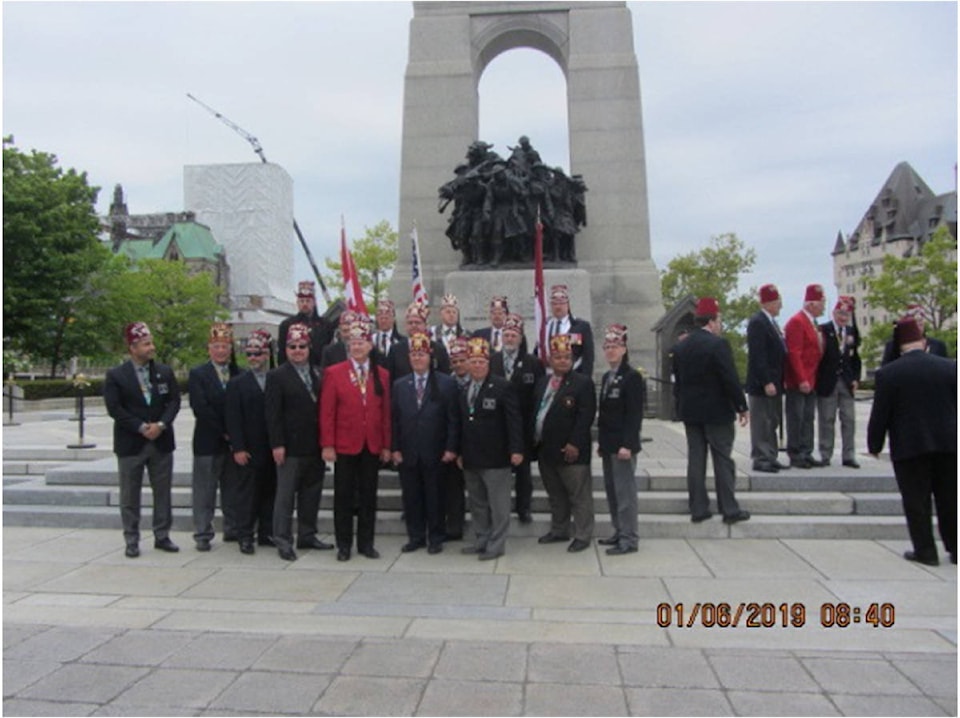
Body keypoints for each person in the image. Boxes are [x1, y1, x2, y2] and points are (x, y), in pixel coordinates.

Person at [868, 316, 957, 566]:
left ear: (899, 346)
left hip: (910, 445)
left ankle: (925, 551)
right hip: (949, 444)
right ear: (924, 341)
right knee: (949, 498)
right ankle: (955, 547)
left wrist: (875, 445)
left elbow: (880, 414)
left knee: (916, 501)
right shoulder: (950, 367)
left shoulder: (889, 373)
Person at [103, 322, 181, 558]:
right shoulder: (116, 375)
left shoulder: (164, 372)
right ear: (133, 347)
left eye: (151, 342)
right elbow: (114, 408)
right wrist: (139, 426)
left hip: (161, 440)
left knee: (163, 492)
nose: (151, 348)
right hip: (131, 443)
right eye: (146, 344)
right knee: (130, 494)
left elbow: (174, 402)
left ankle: (162, 535)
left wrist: (161, 424)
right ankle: (132, 539)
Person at [672, 298, 750, 524]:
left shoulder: (681, 347)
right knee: (722, 459)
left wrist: (680, 407)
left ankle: (698, 507)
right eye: (720, 320)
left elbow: (678, 383)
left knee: (696, 460)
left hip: (691, 412)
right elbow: (729, 378)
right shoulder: (718, 345)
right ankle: (729, 509)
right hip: (716, 412)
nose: (721, 325)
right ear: (712, 321)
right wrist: (741, 406)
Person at [321, 317, 392, 561]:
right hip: (344, 445)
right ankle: (343, 545)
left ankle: (366, 543)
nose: (357, 346)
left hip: (371, 445)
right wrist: (328, 444)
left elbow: (385, 413)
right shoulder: (334, 373)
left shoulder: (381, 374)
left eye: (362, 342)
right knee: (343, 496)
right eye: (353, 342)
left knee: (368, 497)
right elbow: (327, 411)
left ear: (370, 346)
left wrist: (386, 445)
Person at [264, 322, 332, 561]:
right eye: (292, 346)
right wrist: (277, 444)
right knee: (285, 496)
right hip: (289, 448)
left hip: (314, 446)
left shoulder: (318, 373)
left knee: (311, 494)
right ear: (286, 348)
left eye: (302, 346)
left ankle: (307, 534)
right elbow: (272, 414)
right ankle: (282, 539)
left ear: (309, 347)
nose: (297, 350)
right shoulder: (276, 376)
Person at [391, 332, 460, 554]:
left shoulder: (446, 383)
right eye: (414, 354)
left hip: (436, 451)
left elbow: (453, 419)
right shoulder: (400, 385)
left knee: (435, 496)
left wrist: (451, 447)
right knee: (411, 497)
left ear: (430, 356)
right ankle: (416, 536)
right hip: (408, 451)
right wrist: (395, 448)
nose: (418, 358)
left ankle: (436, 536)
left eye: (422, 354)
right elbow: (394, 420)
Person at [458, 337, 524, 560]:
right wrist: (459, 451)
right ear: (467, 363)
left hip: (496, 457)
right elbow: (460, 422)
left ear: (488, 364)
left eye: (481, 362)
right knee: (477, 504)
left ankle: (496, 545)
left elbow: (514, 420)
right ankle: (481, 540)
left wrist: (517, 449)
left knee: (498, 505)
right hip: (471, 457)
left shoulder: (502, 386)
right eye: (473, 361)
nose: (477, 366)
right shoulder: (464, 388)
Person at [533, 334, 597, 552]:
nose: (563, 361)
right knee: (556, 495)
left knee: (579, 495)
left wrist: (575, 443)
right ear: (551, 359)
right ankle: (559, 530)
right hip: (546, 449)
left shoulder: (582, 383)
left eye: (567, 357)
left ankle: (583, 534)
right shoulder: (543, 382)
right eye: (558, 357)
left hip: (571, 451)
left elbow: (585, 416)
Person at [187, 322, 240, 551]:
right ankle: (202, 533)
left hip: (234, 445)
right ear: (209, 348)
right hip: (208, 441)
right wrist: (225, 431)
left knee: (232, 489)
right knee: (204, 491)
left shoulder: (240, 373)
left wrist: (236, 435)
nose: (221, 351)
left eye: (225, 346)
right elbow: (201, 408)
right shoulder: (198, 374)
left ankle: (233, 528)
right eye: (217, 346)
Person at [225, 329, 277, 554]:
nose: (253, 357)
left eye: (258, 353)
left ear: (267, 354)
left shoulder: (277, 378)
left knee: (270, 492)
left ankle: (266, 532)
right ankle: (245, 535)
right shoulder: (237, 383)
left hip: (272, 447)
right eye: (249, 354)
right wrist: (238, 447)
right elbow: (232, 418)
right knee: (247, 494)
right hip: (248, 448)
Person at [596, 324, 646, 555]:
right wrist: (602, 444)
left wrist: (628, 444)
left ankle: (629, 538)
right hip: (608, 445)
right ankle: (618, 530)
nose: (610, 351)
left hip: (623, 447)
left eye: (615, 346)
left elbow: (634, 415)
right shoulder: (607, 377)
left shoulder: (632, 377)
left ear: (624, 349)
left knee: (625, 494)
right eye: (607, 347)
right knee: (612, 491)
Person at [490, 313, 544, 523]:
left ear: (521, 338)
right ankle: (499, 510)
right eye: (506, 334)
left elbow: (538, 397)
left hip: (523, 426)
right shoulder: (492, 361)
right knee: (500, 472)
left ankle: (524, 508)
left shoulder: (533, 363)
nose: (510, 338)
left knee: (523, 472)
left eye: (514, 334)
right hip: (496, 427)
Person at [745, 284, 789, 473]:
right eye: (777, 301)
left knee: (772, 420)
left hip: (775, 381)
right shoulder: (758, 322)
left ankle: (770, 454)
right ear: (768, 303)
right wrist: (766, 381)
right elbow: (758, 355)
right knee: (762, 421)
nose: (780, 305)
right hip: (762, 383)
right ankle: (761, 457)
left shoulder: (771, 322)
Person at [783, 283, 826, 469]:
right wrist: (801, 378)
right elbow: (795, 353)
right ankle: (796, 453)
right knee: (797, 417)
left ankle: (806, 451)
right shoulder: (797, 322)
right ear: (811, 304)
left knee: (808, 417)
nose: (824, 306)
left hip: (812, 378)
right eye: (821, 302)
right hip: (799, 381)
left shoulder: (811, 323)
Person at [816, 298, 862, 468]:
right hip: (828, 381)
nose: (843, 317)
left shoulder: (851, 331)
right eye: (841, 313)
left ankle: (849, 455)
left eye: (846, 314)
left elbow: (856, 358)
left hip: (847, 382)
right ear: (834, 313)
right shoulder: (824, 329)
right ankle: (825, 454)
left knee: (849, 419)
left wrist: (856, 378)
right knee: (827, 419)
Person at [444, 336, 471, 540]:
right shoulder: (445, 383)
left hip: (477, 445)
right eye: (455, 361)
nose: (459, 365)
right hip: (452, 444)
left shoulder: (479, 380)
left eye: (463, 360)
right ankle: (454, 526)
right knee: (452, 489)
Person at [387, 302, 450, 381]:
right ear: (406, 326)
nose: (414, 325)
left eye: (417, 322)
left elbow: (446, 378)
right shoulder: (395, 349)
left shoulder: (438, 349)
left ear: (426, 325)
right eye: (410, 323)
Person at [541, 284, 594, 376]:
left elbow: (588, 356)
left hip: (574, 375)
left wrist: (586, 379)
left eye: (562, 303)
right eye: (555, 304)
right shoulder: (545, 326)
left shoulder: (581, 326)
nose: (558, 307)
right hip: (549, 375)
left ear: (568, 304)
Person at [278, 280, 334, 367]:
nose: (304, 304)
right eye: (302, 301)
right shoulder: (287, 325)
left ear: (314, 302)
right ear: (297, 302)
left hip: (320, 368)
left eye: (308, 301)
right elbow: (282, 353)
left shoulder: (326, 325)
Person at [881, 304, 949, 365]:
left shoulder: (938, 345)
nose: (919, 324)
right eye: (915, 322)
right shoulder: (893, 346)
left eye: (921, 321)